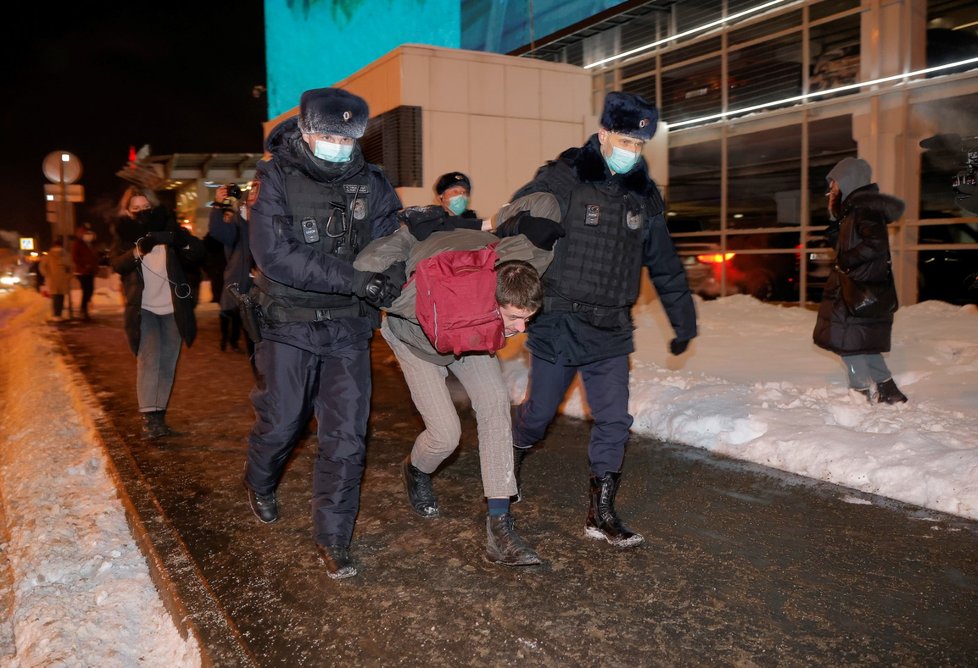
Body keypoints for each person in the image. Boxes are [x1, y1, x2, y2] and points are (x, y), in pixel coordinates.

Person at [495, 91, 698, 548]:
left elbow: (664, 264)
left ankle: (600, 513)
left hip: (611, 329)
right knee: (538, 415)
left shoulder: (644, 197)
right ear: (603, 133)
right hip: (559, 322)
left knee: (613, 420)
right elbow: (511, 218)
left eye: (640, 144)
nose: (632, 151)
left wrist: (683, 320)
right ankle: (510, 459)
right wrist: (525, 226)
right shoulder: (563, 178)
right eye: (625, 139)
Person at [243, 87, 403, 579]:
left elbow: (391, 240)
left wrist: (391, 275)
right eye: (329, 135)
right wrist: (357, 280)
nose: (338, 143)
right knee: (283, 422)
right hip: (289, 323)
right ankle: (260, 480)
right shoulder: (274, 179)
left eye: (347, 136)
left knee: (348, 435)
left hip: (348, 328)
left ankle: (334, 537)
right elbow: (276, 255)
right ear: (308, 132)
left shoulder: (372, 182)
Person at [355, 222, 559, 566]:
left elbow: (538, 245)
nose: (521, 329)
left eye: (528, 319)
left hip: (471, 339)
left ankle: (499, 527)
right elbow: (370, 276)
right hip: (417, 341)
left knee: (496, 406)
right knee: (446, 436)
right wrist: (408, 234)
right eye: (514, 318)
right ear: (489, 301)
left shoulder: (511, 276)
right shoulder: (424, 291)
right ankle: (416, 469)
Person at [110, 186, 205, 439]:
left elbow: (198, 252)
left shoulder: (169, 228)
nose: (142, 212)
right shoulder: (124, 235)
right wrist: (138, 251)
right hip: (144, 309)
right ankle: (149, 420)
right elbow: (117, 264)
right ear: (128, 212)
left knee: (167, 364)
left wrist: (179, 240)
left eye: (146, 207)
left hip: (173, 307)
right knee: (149, 361)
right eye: (136, 209)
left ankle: (159, 418)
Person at [813, 157, 908, 404]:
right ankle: (888, 390)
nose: (831, 187)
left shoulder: (864, 209)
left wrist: (847, 261)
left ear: (848, 180)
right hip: (855, 286)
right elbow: (854, 242)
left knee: (848, 343)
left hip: (858, 287)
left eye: (834, 182)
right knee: (862, 342)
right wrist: (836, 223)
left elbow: (875, 244)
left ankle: (860, 392)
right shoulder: (853, 211)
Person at [207, 184, 256, 358]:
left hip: (266, 286)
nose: (253, 203)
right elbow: (217, 231)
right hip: (243, 286)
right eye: (249, 200)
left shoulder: (265, 222)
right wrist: (218, 204)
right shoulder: (236, 224)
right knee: (250, 332)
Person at [71, 224, 100, 321]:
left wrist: (95, 267)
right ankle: (83, 311)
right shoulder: (78, 244)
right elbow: (75, 258)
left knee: (90, 291)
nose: (88, 235)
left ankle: (84, 310)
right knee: (86, 291)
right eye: (85, 233)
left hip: (90, 272)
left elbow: (93, 258)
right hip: (82, 272)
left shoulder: (89, 244)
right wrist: (84, 265)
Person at [39, 238, 72, 321]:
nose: (58, 248)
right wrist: (68, 275)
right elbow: (71, 267)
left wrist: (47, 275)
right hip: (59, 279)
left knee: (58, 297)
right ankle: (57, 314)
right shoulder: (63, 255)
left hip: (56, 279)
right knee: (58, 297)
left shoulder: (50, 256)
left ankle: (57, 314)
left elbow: (42, 267)